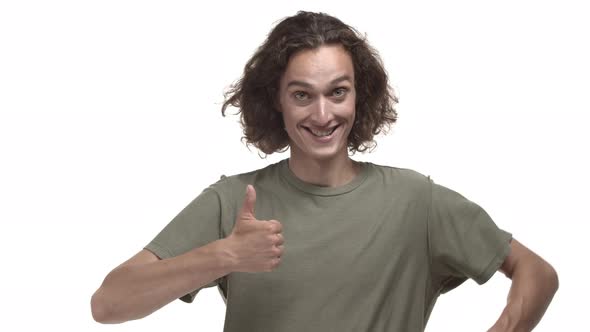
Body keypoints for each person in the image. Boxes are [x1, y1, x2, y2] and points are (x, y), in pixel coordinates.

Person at [90, 11, 559, 331]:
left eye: (337, 92)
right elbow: (108, 304)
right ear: (275, 99)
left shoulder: (416, 202)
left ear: (360, 94)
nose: (321, 114)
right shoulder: (234, 202)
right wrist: (223, 257)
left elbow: (535, 270)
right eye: (302, 94)